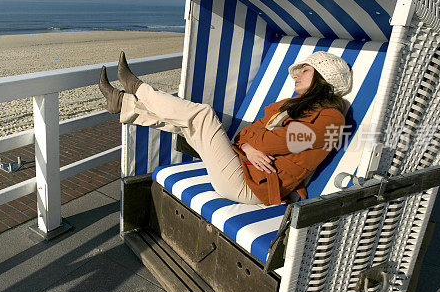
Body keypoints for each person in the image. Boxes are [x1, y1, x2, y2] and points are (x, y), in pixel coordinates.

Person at [98, 52, 350, 205]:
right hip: (244, 166)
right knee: (187, 125)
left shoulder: (330, 121)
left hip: (251, 187)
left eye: (304, 70)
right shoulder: (289, 106)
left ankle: (137, 88)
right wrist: (250, 146)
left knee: (202, 115)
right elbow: (248, 135)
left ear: (323, 77)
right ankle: (122, 103)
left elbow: (272, 142)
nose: (295, 75)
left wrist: (253, 143)